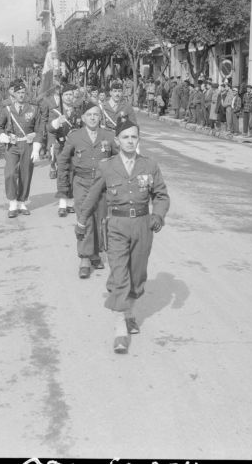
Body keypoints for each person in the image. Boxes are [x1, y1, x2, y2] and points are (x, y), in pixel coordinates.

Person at [75, 117, 170, 354]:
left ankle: (129, 313)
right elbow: (92, 195)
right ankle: (120, 329)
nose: (129, 141)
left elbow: (161, 195)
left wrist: (157, 216)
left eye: (134, 137)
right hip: (116, 225)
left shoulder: (150, 165)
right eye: (125, 137)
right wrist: (81, 220)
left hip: (142, 225)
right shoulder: (107, 167)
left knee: (137, 276)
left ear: (139, 140)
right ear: (117, 140)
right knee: (119, 275)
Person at [57, 102, 117, 278]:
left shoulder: (108, 135)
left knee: (100, 219)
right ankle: (84, 257)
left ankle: (95, 253)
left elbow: (118, 158)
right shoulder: (75, 136)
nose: (92, 118)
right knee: (85, 218)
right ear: (83, 118)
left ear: (101, 117)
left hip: (102, 184)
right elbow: (63, 160)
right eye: (89, 115)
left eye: (96, 115)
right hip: (82, 182)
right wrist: (63, 186)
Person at [0, 82, 43, 217]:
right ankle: (12, 203)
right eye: (18, 93)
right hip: (12, 145)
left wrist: (36, 148)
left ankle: (22, 202)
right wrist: (3, 135)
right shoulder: (7, 109)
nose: (21, 95)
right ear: (13, 94)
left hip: (27, 145)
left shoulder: (34, 109)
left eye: (23, 93)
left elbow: (39, 129)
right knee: (9, 173)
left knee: (25, 173)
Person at [48, 84, 83, 217]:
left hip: (75, 147)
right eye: (66, 95)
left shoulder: (78, 110)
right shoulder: (56, 111)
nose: (69, 97)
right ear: (62, 97)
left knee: (74, 173)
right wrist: (57, 122)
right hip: (61, 146)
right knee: (62, 173)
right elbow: (50, 128)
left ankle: (70, 202)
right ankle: (62, 204)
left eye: (71, 95)